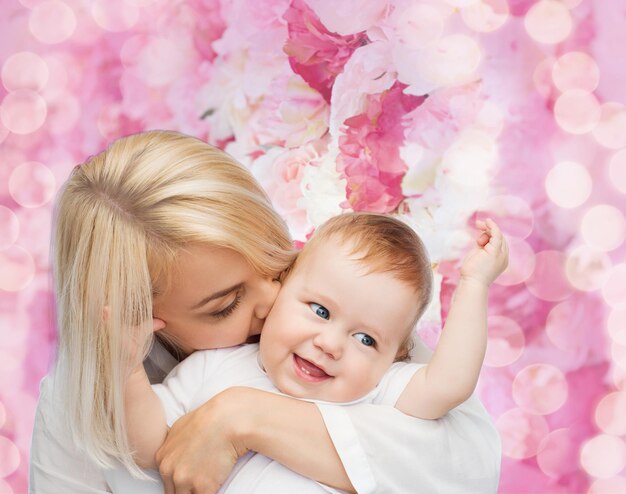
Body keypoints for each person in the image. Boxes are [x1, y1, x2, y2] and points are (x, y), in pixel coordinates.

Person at [30, 130, 502, 494]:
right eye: (227, 304)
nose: (275, 301)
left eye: (277, 262)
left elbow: (467, 463)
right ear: (142, 318)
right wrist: (125, 370)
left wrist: (243, 417)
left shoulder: (341, 300)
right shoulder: (84, 394)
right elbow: (148, 444)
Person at [123, 213, 507, 493]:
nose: (330, 344)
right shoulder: (214, 365)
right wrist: (127, 369)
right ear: (282, 286)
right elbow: (150, 447)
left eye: (366, 340)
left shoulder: (378, 392)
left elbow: (450, 384)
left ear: (398, 355)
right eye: (320, 311)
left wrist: (475, 284)